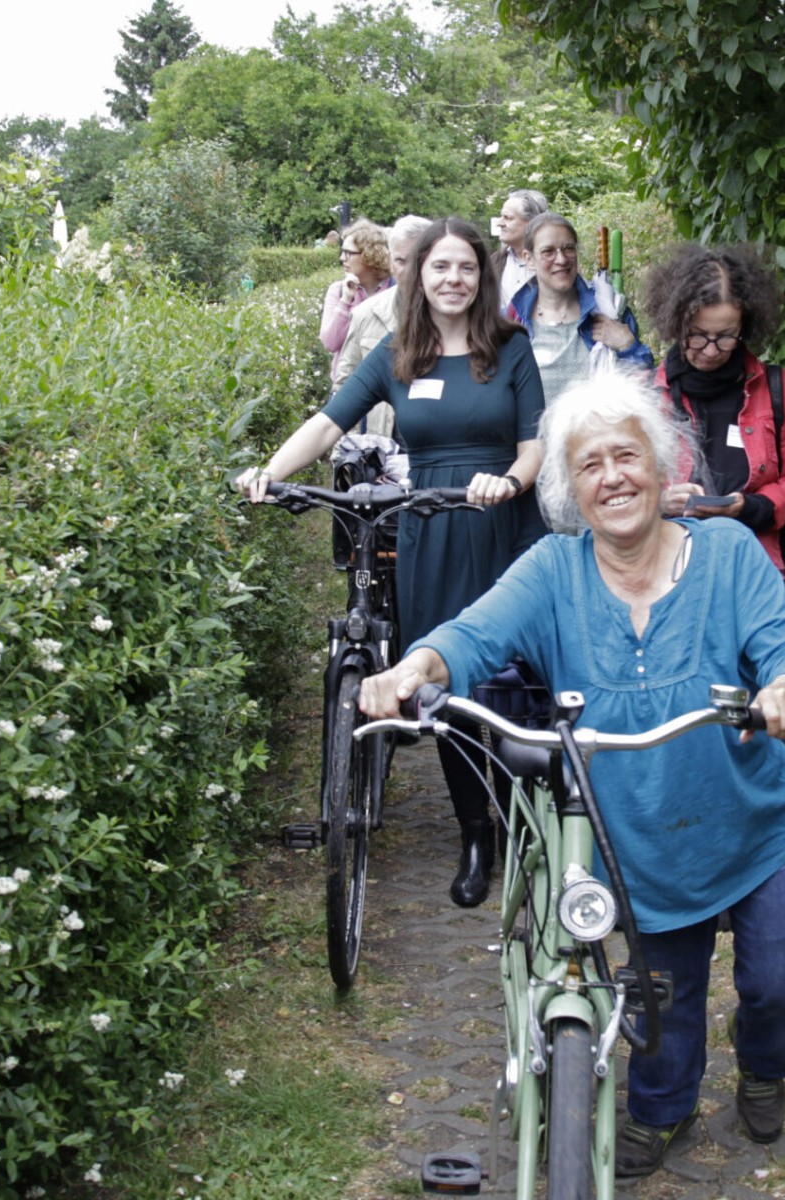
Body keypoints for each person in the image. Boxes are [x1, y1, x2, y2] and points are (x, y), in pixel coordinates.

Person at [360, 371, 785, 1177]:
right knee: (661, 1000)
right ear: (570, 488)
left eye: (627, 455)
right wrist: (417, 667)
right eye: (589, 465)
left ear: (661, 462)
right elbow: (473, 635)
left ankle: (765, 1066)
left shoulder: (725, 555)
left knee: (783, 973)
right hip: (638, 841)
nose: (612, 476)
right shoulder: (553, 570)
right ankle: (661, 1107)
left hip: (753, 822)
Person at [236, 217, 548, 909]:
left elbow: (533, 445)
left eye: (466, 267)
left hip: (501, 522)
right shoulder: (399, 353)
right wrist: (269, 471)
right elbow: (328, 423)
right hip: (431, 529)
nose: (453, 279)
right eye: (440, 268)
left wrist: (512, 483)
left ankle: (525, 820)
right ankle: (477, 836)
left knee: (515, 682)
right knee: (446, 685)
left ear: (482, 275)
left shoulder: (511, 347)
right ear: (419, 276)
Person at [644, 243, 785, 586]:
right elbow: (620, 486)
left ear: (746, 327)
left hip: (753, 572)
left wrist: (748, 507)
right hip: (667, 572)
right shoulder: (646, 397)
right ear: (676, 323)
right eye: (697, 336)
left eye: (725, 337)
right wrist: (660, 501)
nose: (710, 350)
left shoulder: (776, 389)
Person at [507, 213, 653, 401]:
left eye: (568, 249)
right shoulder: (514, 319)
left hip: (599, 429)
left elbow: (643, 388)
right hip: (535, 431)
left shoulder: (609, 309)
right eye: (548, 251)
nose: (561, 259)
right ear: (529, 258)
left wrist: (629, 346)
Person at [331, 213, 433, 436]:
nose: (411, 269)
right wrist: (346, 458)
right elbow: (344, 388)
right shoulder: (367, 313)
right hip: (383, 444)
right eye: (401, 260)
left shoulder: (459, 316)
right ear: (390, 263)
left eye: (419, 259)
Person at [319, 219, 392, 385]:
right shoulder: (337, 290)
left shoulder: (394, 290)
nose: (342, 258)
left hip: (385, 391)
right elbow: (330, 342)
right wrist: (346, 300)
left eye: (348, 253)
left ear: (369, 255)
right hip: (347, 387)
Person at [492, 188, 547, 311]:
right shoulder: (493, 263)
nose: (499, 223)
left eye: (507, 218)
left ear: (532, 223)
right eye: (501, 217)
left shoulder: (554, 262)